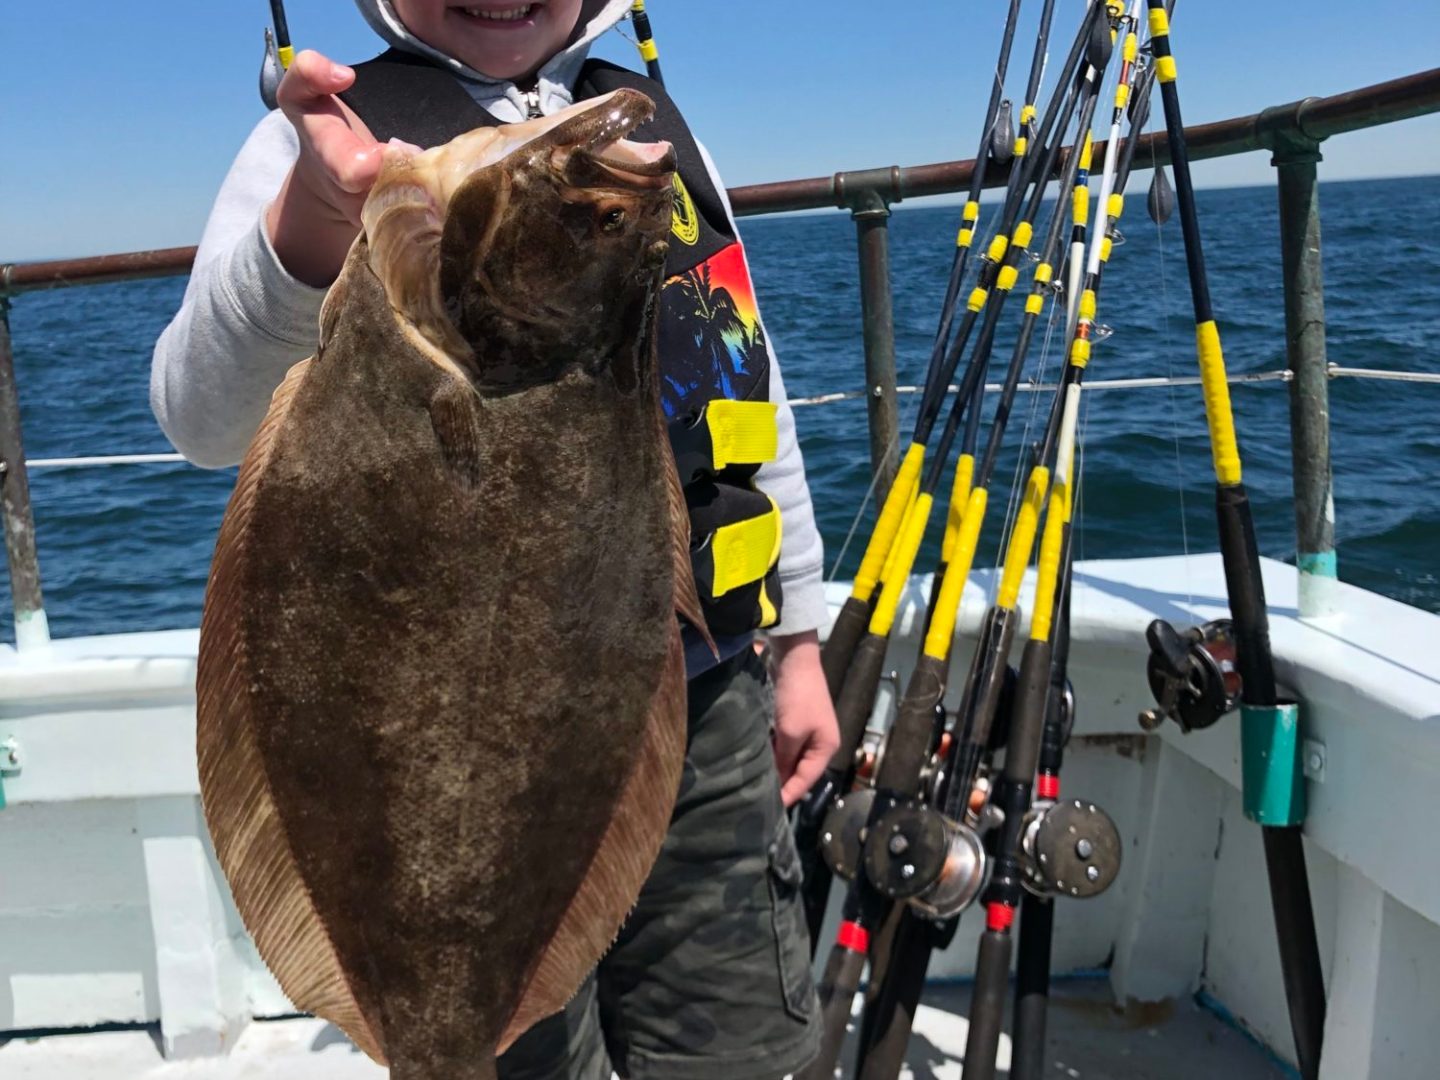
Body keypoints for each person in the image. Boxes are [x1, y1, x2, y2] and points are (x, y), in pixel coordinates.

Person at [151, 2, 839, 1077]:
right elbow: (198, 418)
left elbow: (744, 382)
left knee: (736, 1042)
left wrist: (798, 641)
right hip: (423, 750)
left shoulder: (645, 135)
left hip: (701, 703)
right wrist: (308, 232)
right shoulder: (331, 138)